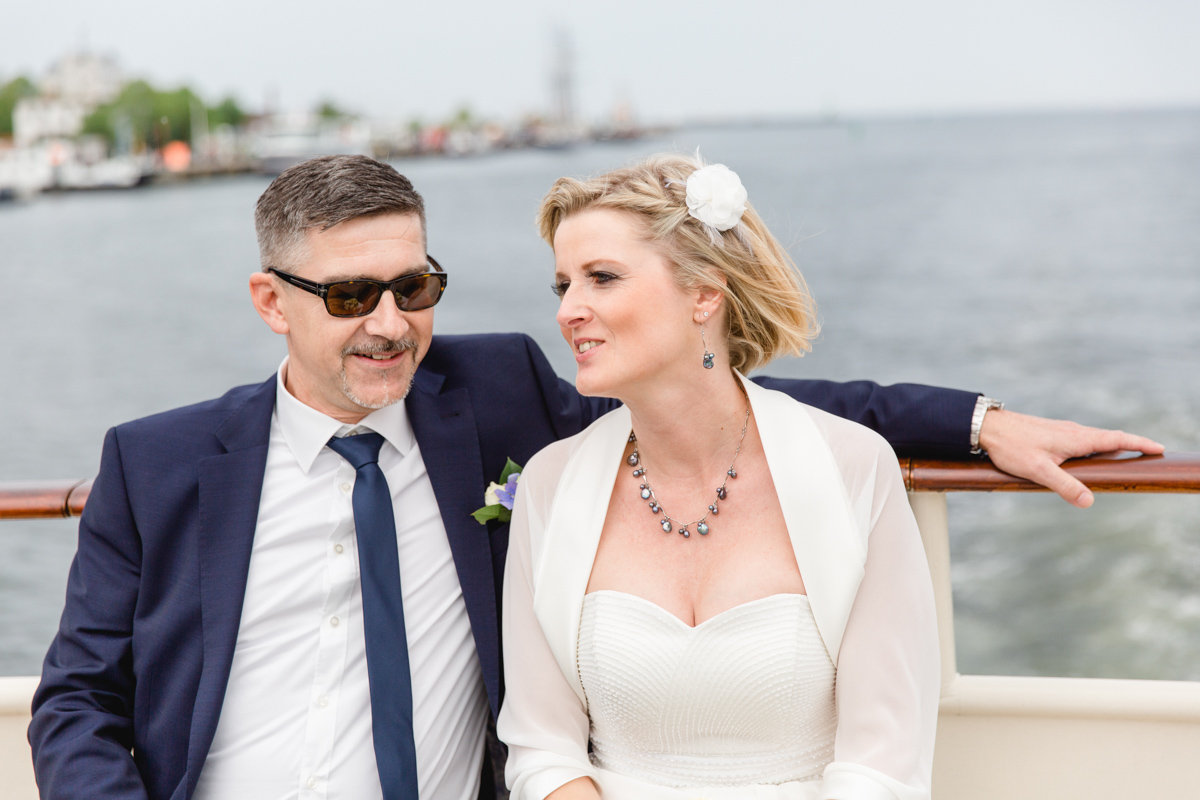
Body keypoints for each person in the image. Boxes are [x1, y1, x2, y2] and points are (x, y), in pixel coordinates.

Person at [28, 155, 1160, 800]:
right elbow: (78, 700)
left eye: (415, 287)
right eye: (348, 296)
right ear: (271, 301)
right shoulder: (160, 460)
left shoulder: (501, 398)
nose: (391, 324)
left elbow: (719, 399)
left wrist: (978, 418)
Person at [494, 153, 1160, 800]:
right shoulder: (551, 485)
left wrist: (978, 421)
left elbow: (882, 759)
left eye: (601, 278)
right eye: (563, 285)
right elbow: (541, 750)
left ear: (703, 294)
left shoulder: (851, 470)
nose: (567, 310)